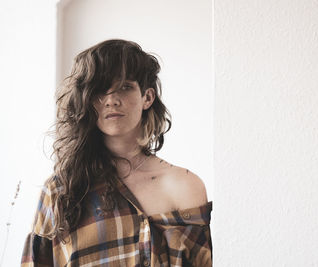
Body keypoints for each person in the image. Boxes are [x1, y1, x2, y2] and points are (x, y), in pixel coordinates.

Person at [21, 39, 213, 266]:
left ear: (147, 97)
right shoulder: (61, 191)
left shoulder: (185, 187)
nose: (112, 100)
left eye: (125, 86)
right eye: (100, 90)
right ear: (87, 101)